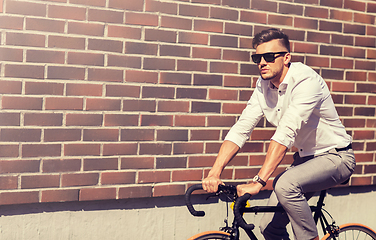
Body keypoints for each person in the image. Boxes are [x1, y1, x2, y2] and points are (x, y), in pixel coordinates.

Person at [202, 28, 356, 240]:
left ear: (286, 58)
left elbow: (286, 132)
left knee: (284, 184)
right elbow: (242, 128)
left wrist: (259, 180)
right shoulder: (263, 86)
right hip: (305, 160)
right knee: (269, 228)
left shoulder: (305, 81)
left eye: (268, 57)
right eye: (257, 58)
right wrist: (215, 172)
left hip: (336, 157)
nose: (262, 62)